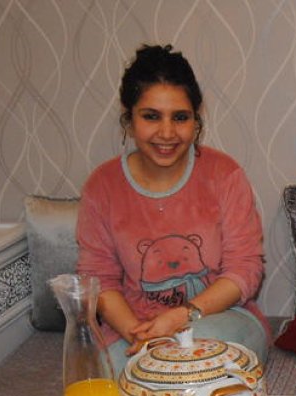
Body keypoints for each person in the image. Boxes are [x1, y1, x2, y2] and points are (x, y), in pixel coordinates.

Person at [76, 44, 268, 372]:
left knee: (191, 366)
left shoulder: (224, 175)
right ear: (129, 118)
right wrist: (139, 335)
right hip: (133, 330)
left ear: (196, 120)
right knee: (129, 381)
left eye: (180, 117)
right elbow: (99, 280)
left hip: (215, 320)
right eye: (151, 116)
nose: (166, 133)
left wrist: (181, 317)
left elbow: (245, 269)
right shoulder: (102, 185)